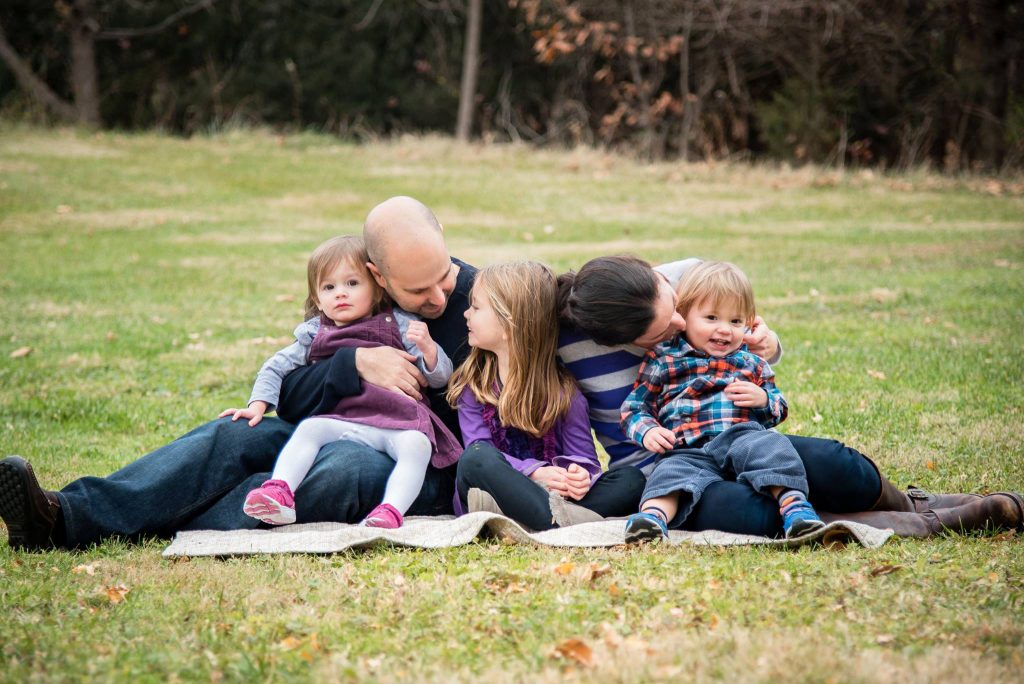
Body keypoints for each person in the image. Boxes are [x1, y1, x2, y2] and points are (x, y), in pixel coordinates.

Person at [0, 196, 477, 550]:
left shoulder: (483, 304)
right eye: (418, 289)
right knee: (234, 436)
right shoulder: (359, 305)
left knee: (342, 471)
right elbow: (291, 396)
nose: (438, 297)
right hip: (338, 422)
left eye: (445, 276)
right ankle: (64, 515)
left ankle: (148, 522)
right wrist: (353, 365)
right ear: (379, 276)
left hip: (419, 458)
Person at [557, 255, 1023, 538]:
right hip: (675, 464)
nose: (682, 324)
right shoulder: (580, 348)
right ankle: (926, 524)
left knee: (835, 465)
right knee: (749, 514)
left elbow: (750, 338)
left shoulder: (685, 277)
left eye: (674, 304)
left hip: (740, 435)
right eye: (665, 330)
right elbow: (628, 409)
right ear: (631, 342)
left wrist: (768, 344)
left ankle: (914, 504)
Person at [224, 235, 460, 529]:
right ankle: (279, 491)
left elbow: (441, 378)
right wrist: (258, 406)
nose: (340, 294)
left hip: (400, 422)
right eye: (329, 287)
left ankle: (390, 511)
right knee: (311, 428)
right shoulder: (314, 333)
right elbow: (276, 367)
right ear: (317, 299)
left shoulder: (399, 323)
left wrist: (429, 350)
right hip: (346, 421)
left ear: (376, 288)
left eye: (352, 283)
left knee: (417, 446)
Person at [620, 261, 823, 542]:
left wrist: (763, 399)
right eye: (712, 318)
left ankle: (796, 509)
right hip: (686, 448)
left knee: (773, 449)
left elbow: (779, 406)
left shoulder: (750, 362)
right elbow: (635, 407)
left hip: (741, 437)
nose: (725, 330)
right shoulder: (664, 360)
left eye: (736, 321)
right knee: (667, 474)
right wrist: (648, 431)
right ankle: (651, 519)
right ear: (684, 315)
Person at [449, 261, 646, 530]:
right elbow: (479, 449)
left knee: (632, 480)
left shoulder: (564, 392)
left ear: (509, 324)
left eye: (476, 307)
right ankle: (560, 524)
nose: (466, 314)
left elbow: (584, 458)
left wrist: (577, 475)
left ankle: (545, 522)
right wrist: (535, 472)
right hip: (494, 495)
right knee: (475, 458)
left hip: (556, 497)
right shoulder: (474, 387)